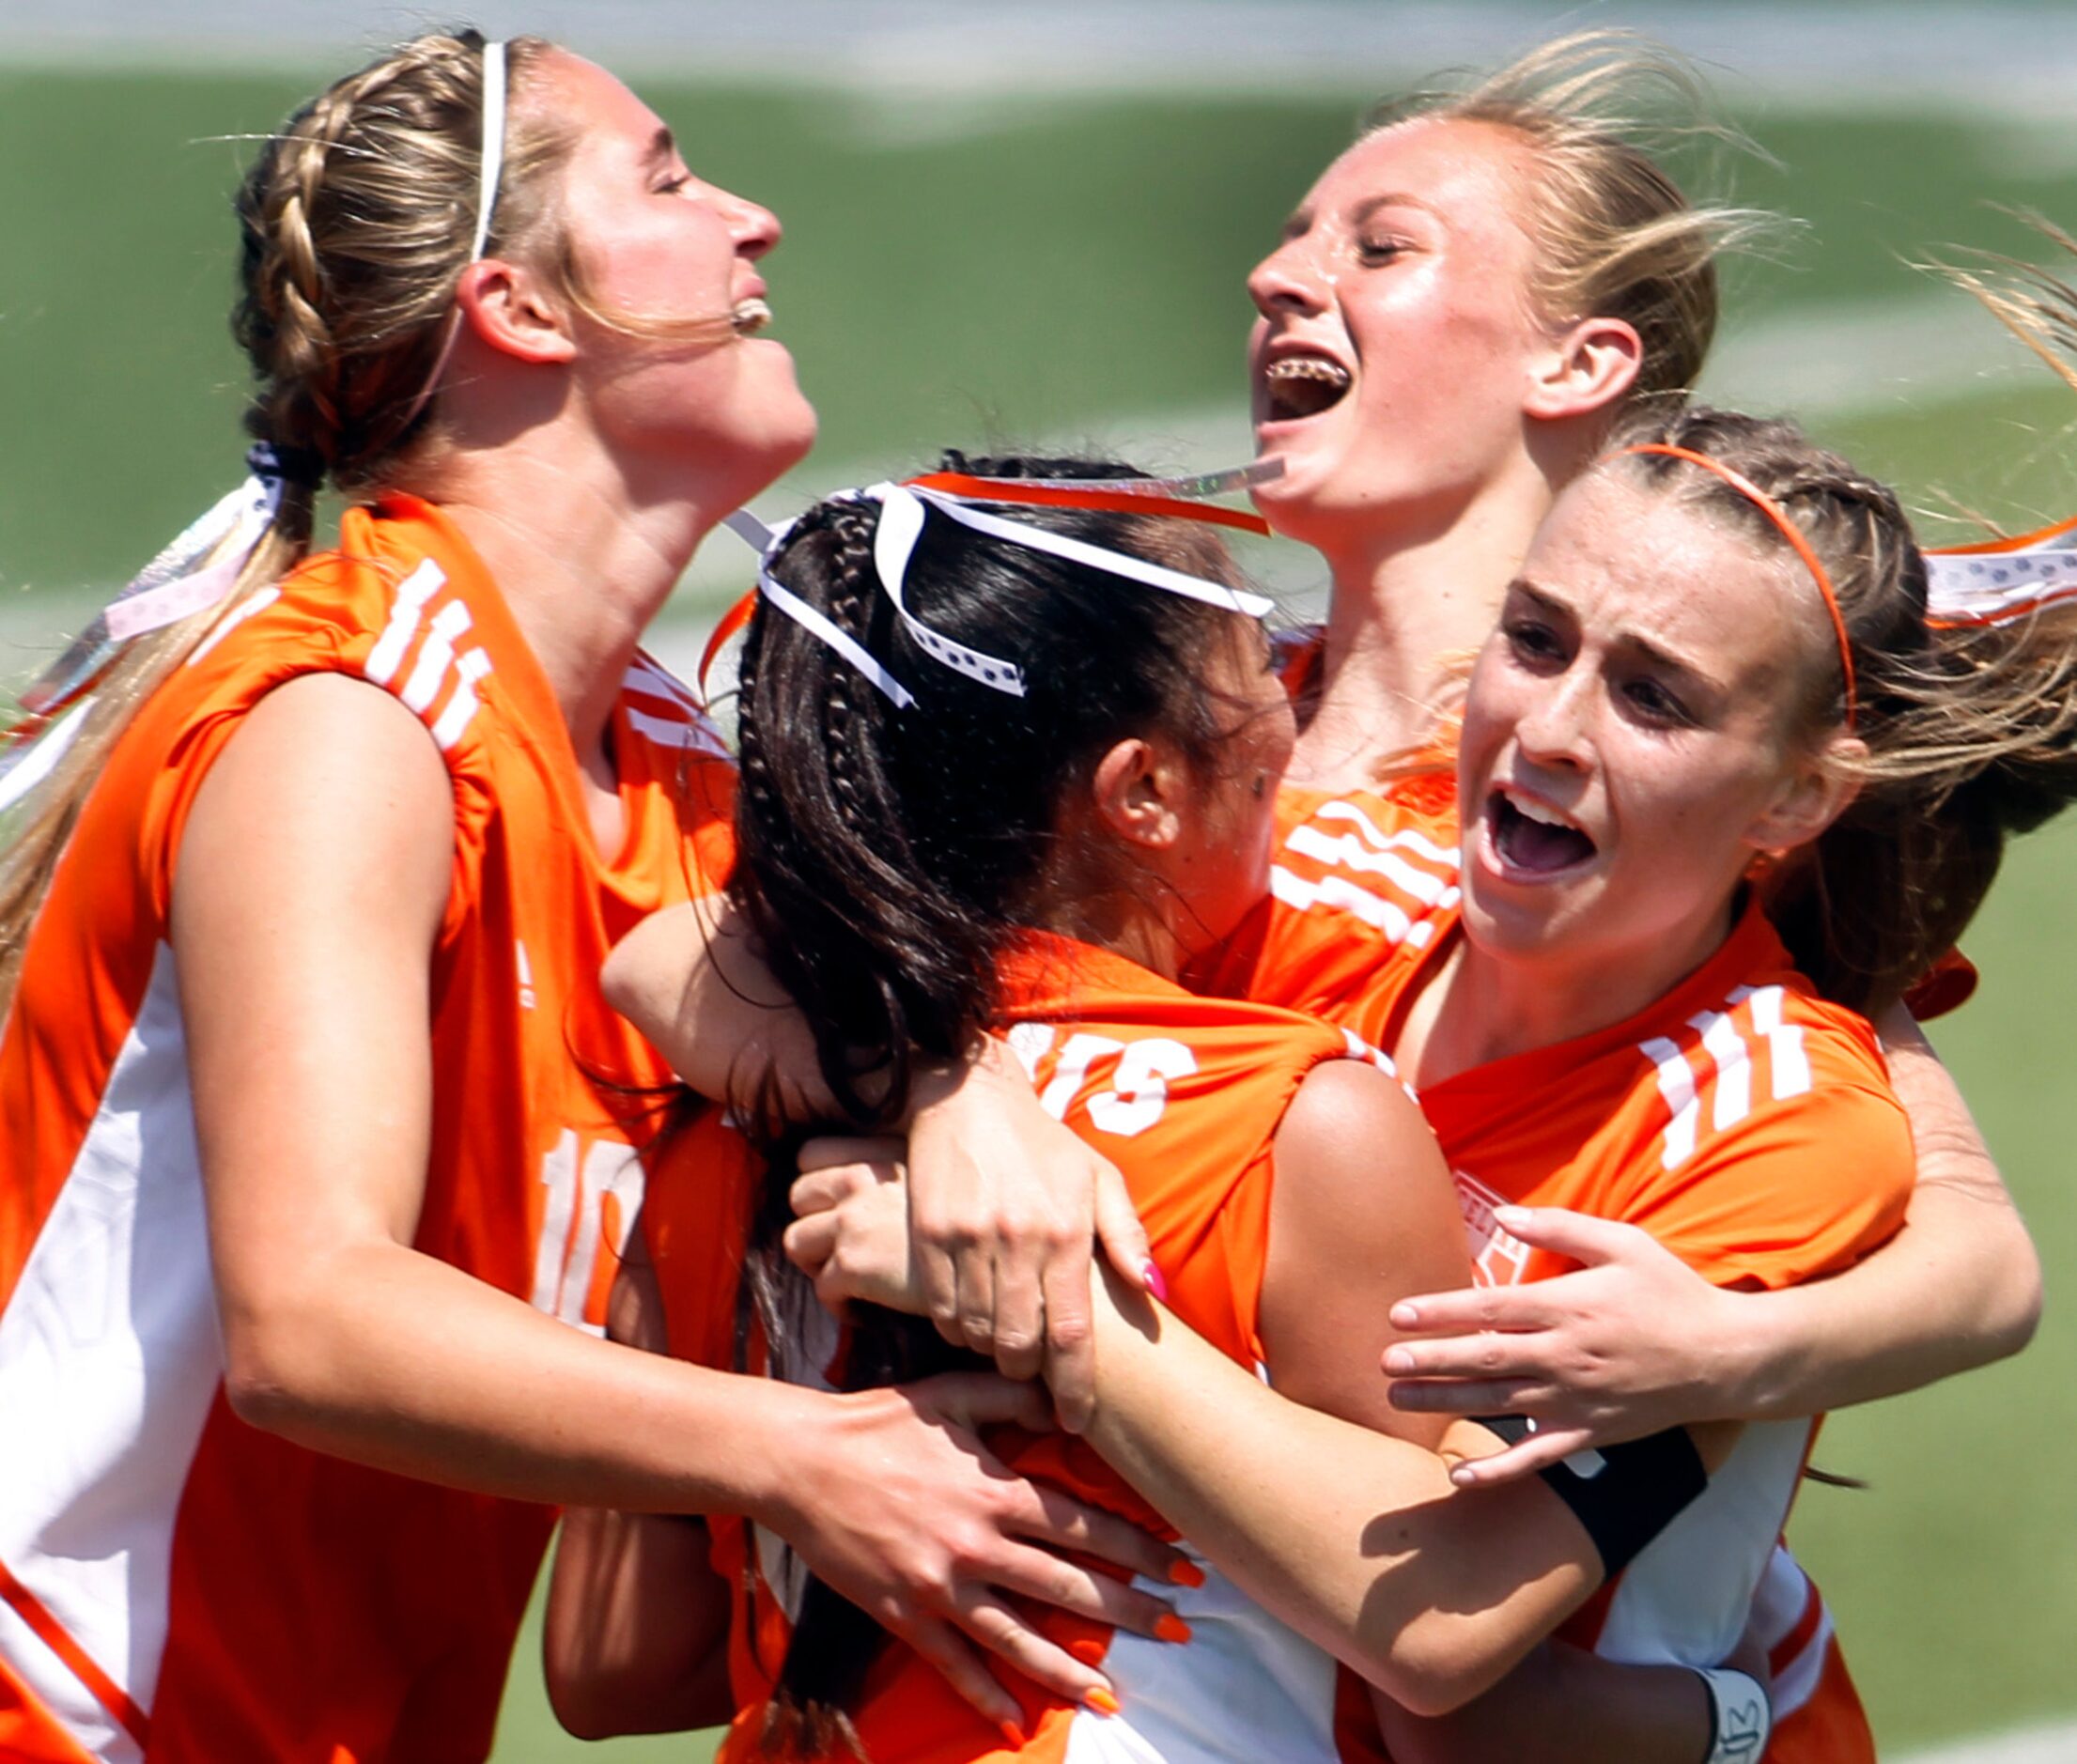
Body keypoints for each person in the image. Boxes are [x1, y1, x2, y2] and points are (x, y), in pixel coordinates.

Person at [0, 34, 1177, 1764]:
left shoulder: (672, 780)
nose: (753, 221)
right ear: (522, 310)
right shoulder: (355, 723)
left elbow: (749, 986)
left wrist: (961, 1080)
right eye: (673, 178)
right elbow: (307, 1315)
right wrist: (798, 1459)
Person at [782, 408, 2077, 1761]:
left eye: (1655, 696)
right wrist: (955, 1081)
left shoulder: (1771, 1126)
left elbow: (1443, 1662)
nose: (1552, 729)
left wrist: (1067, 1319)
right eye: (1535, 638)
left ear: (1796, 801)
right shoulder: (1322, 882)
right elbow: (725, 942)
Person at [550, 458, 1745, 1762]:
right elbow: (1433, 1662)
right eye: (1249, 671)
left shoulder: (712, 1127)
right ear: (1143, 793)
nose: (1288, 721)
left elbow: (611, 1666)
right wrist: (1739, 1684)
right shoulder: (1298, 1124)